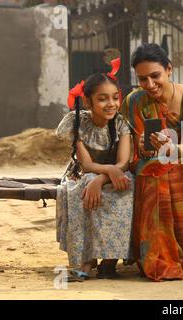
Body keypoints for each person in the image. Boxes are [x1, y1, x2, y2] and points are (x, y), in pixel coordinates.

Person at [120, 43, 183, 281]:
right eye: (142, 79)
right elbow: (130, 148)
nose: (150, 85)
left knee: (181, 167)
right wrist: (140, 146)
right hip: (149, 161)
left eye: (155, 76)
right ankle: (159, 255)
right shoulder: (134, 101)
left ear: (169, 70)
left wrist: (173, 149)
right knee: (154, 171)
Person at [56, 59, 134, 281]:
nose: (111, 104)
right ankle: (86, 261)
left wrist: (102, 178)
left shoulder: (120, 123)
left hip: (113, 174)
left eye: (115, 97)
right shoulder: (77, 121)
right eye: (102, 99)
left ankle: (110, 262)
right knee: (81, 188)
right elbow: (86, 164)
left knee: (127, 188)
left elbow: (124, 162)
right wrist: (101, 175)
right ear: (87, 101)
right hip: (83, 172)